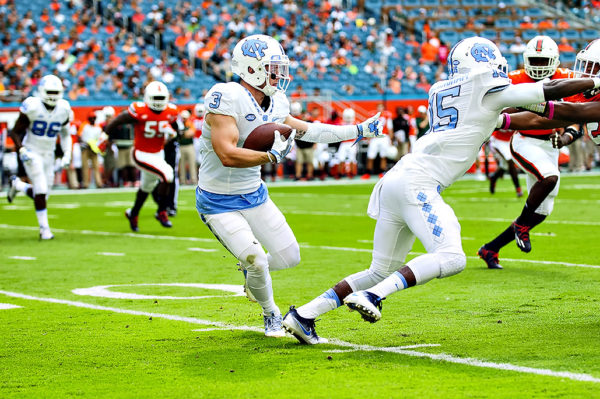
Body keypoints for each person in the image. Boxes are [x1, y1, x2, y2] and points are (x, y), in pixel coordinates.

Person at [281, 36, 600, 343]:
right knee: (451, 257)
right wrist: (592, 83)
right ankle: (374, 296)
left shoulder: (442, 88)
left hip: (396, 179)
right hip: (417, 183)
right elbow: (552, 89)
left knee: (379, 268)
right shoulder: (487, 89)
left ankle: (305, 314)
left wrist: (566, 117)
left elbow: (520, 120)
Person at [197, 34, 382, 337]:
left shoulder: (276, 102)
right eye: (271, 67)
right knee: (257, 259)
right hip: (218, 199)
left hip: (254, 194)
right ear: (251, 68)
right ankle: (271, 313)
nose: (278, 75)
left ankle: (250, 274)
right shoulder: (227, 96)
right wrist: (269, 155)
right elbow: (227, 154)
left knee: (289, 256)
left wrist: (358, 129)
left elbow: (312, 131)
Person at [478, 36, 570, 269]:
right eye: (534, 61)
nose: (538, 66)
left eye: (543, 61)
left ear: (554, 61)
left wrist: (568, 135)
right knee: (550, 177)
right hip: (524, 141)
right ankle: (521, 226)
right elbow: (494, 105)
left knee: (542, 211)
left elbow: (577, 112)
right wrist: (521, 104)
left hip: (549, 146)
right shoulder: (515, 79)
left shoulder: (565, 78)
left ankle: (491, 248)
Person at [104, 81, 179, 232]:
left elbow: (176, 133)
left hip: (158, 153)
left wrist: (172, 133)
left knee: (147, 186)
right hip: (141, 154)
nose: (158, 102)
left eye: (161, 98)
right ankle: (162, 211)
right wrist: (105, 134)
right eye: (155, 98)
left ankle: (133, 213)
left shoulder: (170, 112)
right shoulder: (139, 110)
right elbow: (118, 120)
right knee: (167, 174)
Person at [6, 74, 72, 240]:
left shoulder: (64, 109)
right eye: (49, 91)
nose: (52, 95)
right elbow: (14, 131)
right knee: (41, 190)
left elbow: (65, 135)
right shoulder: (33, 106)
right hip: (32, 150)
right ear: (41, 90)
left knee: (43, 194)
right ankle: (45, 230)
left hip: (48, 153)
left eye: (55, 92)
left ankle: (18, 185)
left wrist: (67, 153)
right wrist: (21, 150)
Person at [79, 110, 103, 188]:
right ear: (88, 119)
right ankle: (86, 183)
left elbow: (100, 138)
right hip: (85, 148)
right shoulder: (84, 125)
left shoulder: (98, 127)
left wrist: (96, 146)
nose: (92, 120)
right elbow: (79, 136)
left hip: (94, 149)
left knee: (96, 166)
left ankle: (98, 183)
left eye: (94, 118)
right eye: (91, 118)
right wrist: (86, 143)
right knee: (85, 166)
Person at [333, 108, 358, 179]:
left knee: (352, 158)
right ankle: (339, 173)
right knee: (340, 158)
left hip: (352, 142)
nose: (348, 118)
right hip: (344, 142)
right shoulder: (341, 123)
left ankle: (352, 173)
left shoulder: (355, 123)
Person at [178, 109, 197, 185]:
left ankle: (193, 180)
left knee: (192, 164)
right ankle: (182, 180)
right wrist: (183, 134)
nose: (184, 119)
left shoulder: (190, 124)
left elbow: (191, 133)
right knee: (181, 165)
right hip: (181, 146)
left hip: (189, 146)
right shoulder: (179, 124)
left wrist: (182, 134)